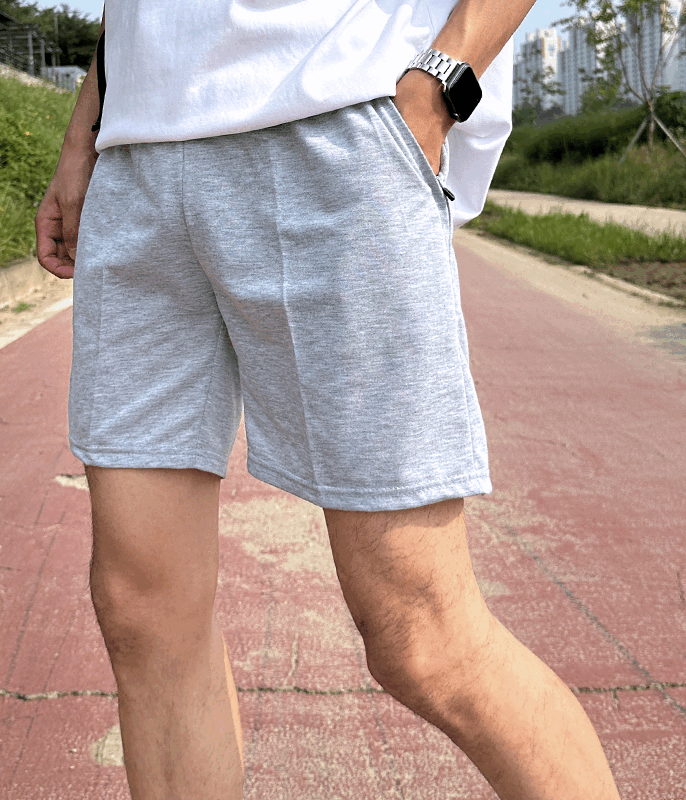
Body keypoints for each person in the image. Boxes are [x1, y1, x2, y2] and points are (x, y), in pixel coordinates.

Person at [35, 2, 622, 798]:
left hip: (334, 122)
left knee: (421, 634)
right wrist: (84, 135)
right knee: (142, 612)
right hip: (136, 157)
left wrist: (439, 84)